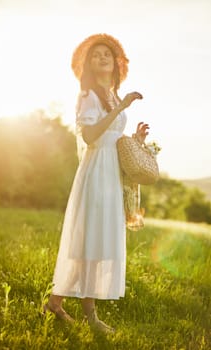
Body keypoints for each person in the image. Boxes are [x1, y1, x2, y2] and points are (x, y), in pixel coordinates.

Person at [43, 33, 149, 333]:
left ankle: (57, 303)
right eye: (95, 55)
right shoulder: (89, 95)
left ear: (116, 63)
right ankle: (87, 314)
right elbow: (90, 137)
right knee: (89, 239)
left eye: (106, 54)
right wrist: (120, 108)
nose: (102, 58)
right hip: (96, 171)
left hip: (111, 172)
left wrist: (136, 140)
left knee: (98, 240)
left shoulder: (114, 95)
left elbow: (112, 137)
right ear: (88, 64)